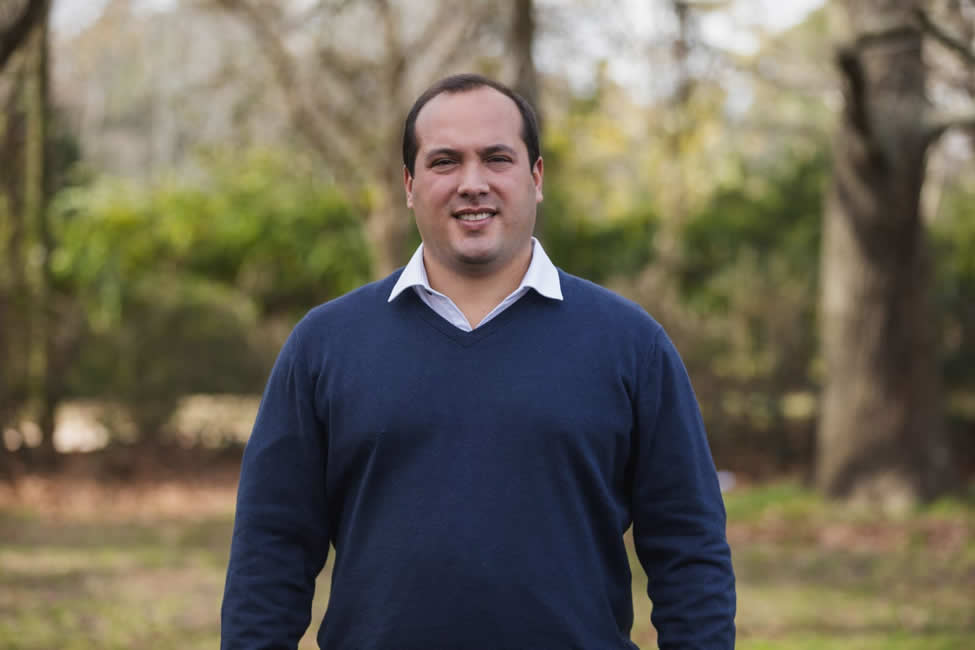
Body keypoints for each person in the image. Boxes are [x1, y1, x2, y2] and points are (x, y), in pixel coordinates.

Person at [221, 73, 736, 650]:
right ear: (410, 185)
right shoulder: (324, 346)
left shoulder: (631, 345)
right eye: (445, 162)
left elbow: (690, 549)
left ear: (536, 178)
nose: (473, 183)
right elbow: (270, 551)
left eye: (497, 158)